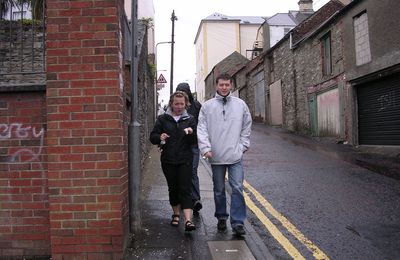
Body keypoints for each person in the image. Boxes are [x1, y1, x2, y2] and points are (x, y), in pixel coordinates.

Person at [197, 73, 252, 236]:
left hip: (235, 155)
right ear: (216, 85)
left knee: (237, 188)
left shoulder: (240, 105)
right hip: (216, 155)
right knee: (219, 189)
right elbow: (202, 128)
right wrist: (205, 148)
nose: (224, 87)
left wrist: (243, 145)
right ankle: (221, 217)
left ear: (231, 86)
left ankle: (238, 222)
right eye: (221, 85)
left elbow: (246, 126)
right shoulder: (207, 106)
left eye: (227, 85)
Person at [149, 91, 197, 231]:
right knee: (173, 188)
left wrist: (190, 133)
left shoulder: (190, 119)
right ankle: (176, 214)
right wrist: (160, 137)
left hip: (185, 159)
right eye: (177, 104)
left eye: (182, 104)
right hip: (168, 160)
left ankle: (188, 220)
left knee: (185, 188)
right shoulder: (163, 119)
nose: (179, 106)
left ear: (186, 104)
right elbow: (152, 137)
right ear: (171, 104)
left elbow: (195, 141)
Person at [175, 82, 203, 213]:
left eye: (185, 91)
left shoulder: (197, 106)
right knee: (180, 172)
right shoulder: (176, 106)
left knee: (192, 171)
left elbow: (203, 124)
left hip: (193, 144)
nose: (183, 94)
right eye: (181, 91)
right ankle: (182, 199)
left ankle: (195, 199)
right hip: (179, 146)